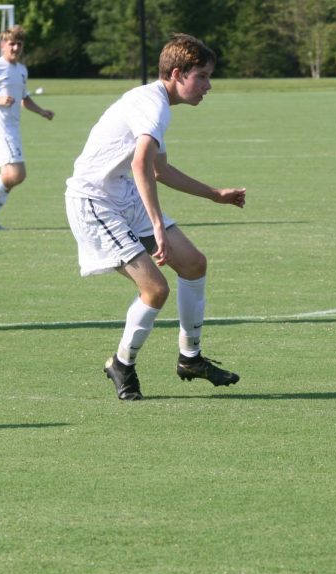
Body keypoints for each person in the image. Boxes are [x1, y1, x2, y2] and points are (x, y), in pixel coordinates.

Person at [65, 33, 244, 401]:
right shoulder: (154, 106)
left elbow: (158, 169)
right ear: (177, 74)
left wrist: (214, 195)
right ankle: (121, 363)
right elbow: (140, 162)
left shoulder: (154, 103)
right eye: (203, 76)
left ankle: (190, 358)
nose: (208, 86)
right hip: (94, 201)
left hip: (121, 194)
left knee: (193, 264)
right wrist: (158, 225)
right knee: (155, 289)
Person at [0, 25, 54, 230]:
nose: (15, 48)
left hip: (13, 129)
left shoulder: (21, 70)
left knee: (9, 178)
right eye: (12, 44)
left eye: (19, 44)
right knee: (16, 175)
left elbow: (24, 98)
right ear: (3, 45)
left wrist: (41, 111)